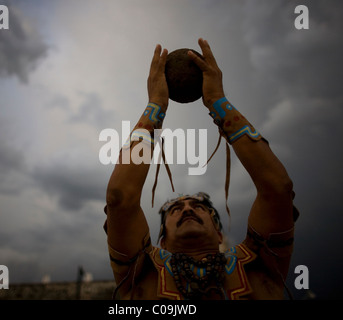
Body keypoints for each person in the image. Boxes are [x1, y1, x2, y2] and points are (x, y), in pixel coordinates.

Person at [104, 38, 298, 300]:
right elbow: (120, 197)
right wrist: (156, 105)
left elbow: (278, 189)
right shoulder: (141, 276)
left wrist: (218, 100)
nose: (187, 208)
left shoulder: (259, 267)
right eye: (176, 209)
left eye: (198, 207)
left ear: (219, 233)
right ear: (162, 242)